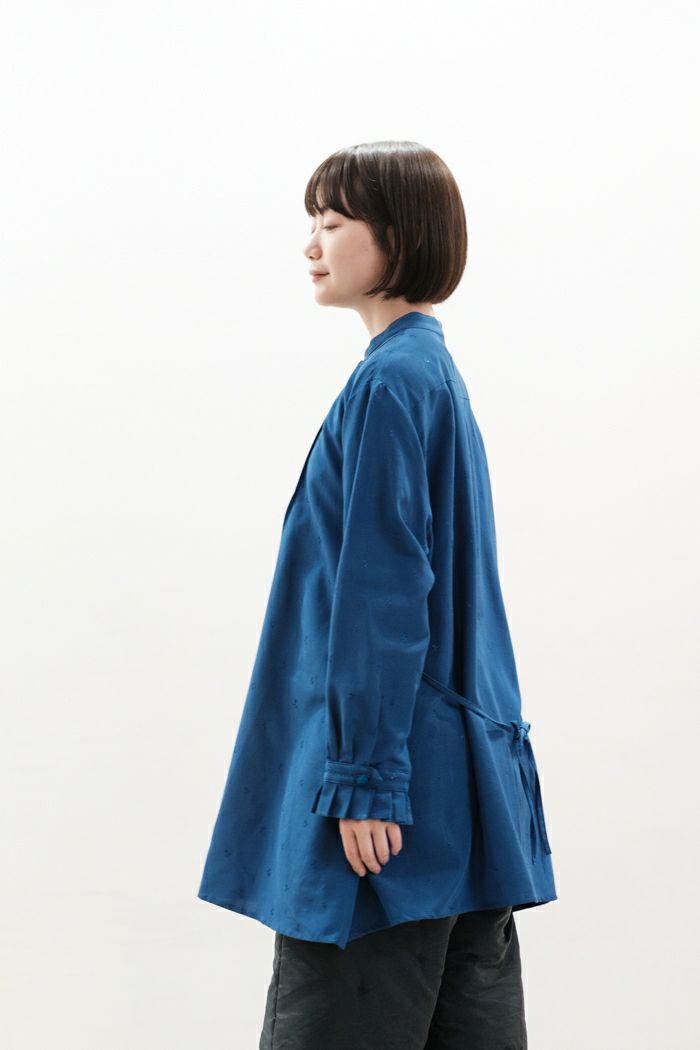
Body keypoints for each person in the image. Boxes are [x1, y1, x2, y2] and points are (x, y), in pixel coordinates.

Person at [197, 140, 557, 1049]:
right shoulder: (429, 374)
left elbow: (383, 594)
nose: (311, 245)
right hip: (462, 796)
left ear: (397, 235)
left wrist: (365, 779)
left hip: (389, 809)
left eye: (332, 222)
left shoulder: (392, 383)